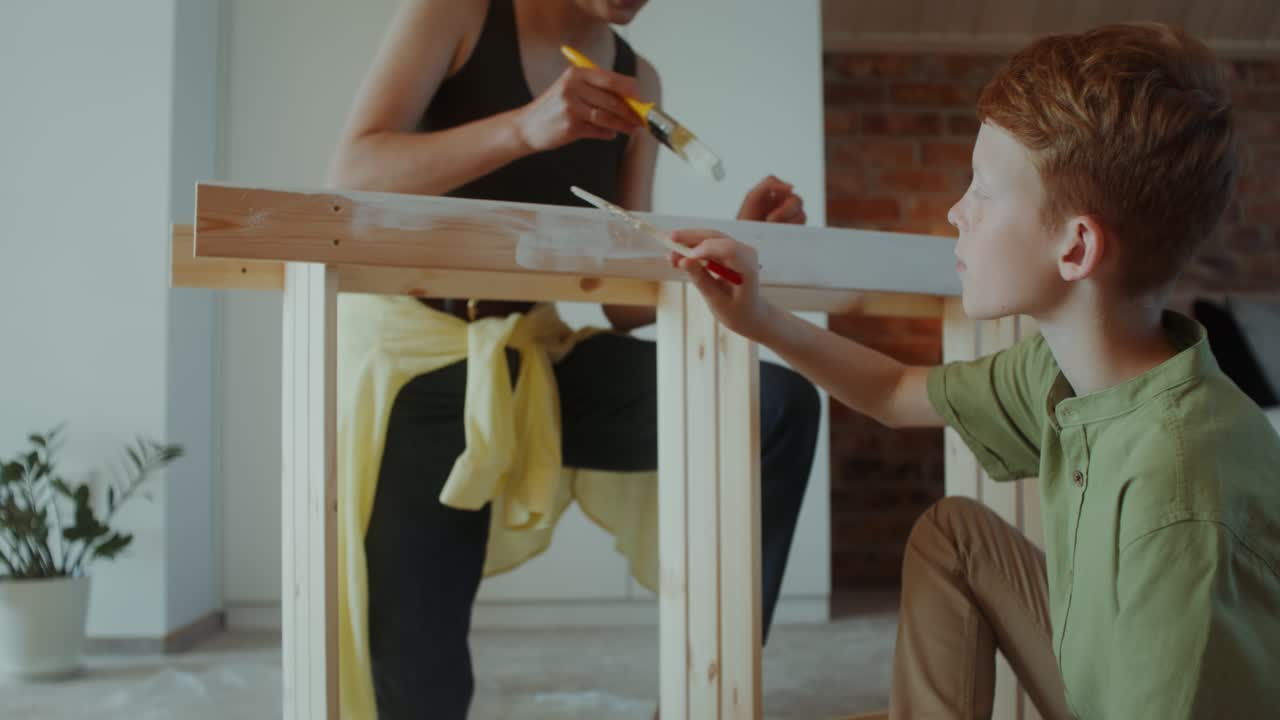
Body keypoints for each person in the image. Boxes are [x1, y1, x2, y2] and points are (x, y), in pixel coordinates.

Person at [669, 21, 1280, 720]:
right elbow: (896, 392)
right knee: (955, 536)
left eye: (983, 190)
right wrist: (758, 319)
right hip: (1102, 671)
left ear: (1076, 248)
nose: (958, 210)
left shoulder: (1179, 499)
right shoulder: (1065, 372)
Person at [325, 1, 821, 717]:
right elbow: (350, 170)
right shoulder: (452, 13)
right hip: (414, 362)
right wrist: (525, 127)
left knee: (774, 406)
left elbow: (625, 302)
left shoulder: (637, 79)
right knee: (419, 678)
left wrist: (728, 245)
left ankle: (703, 699)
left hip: (535, 352)